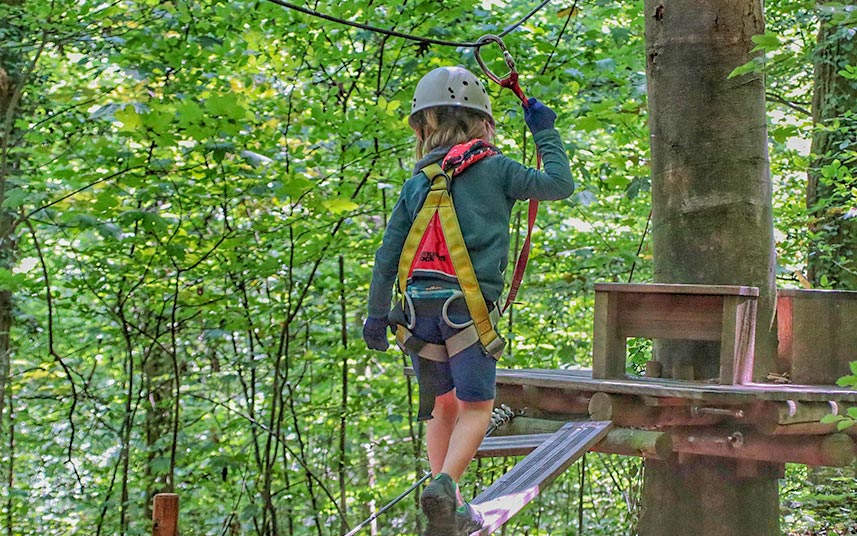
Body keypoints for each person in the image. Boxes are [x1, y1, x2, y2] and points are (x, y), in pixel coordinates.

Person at [363, 65, 573, 535]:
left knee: (443, 408)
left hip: (417, 314)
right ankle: (444, 486)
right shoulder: (498, 170)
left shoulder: (417, 183)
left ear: (424, 126)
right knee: (477, 408)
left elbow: (387, 254)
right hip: (467, 312)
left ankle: (451, 508)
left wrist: (376, 315)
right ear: (484, 122)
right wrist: (546, 132)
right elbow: (559, 184)